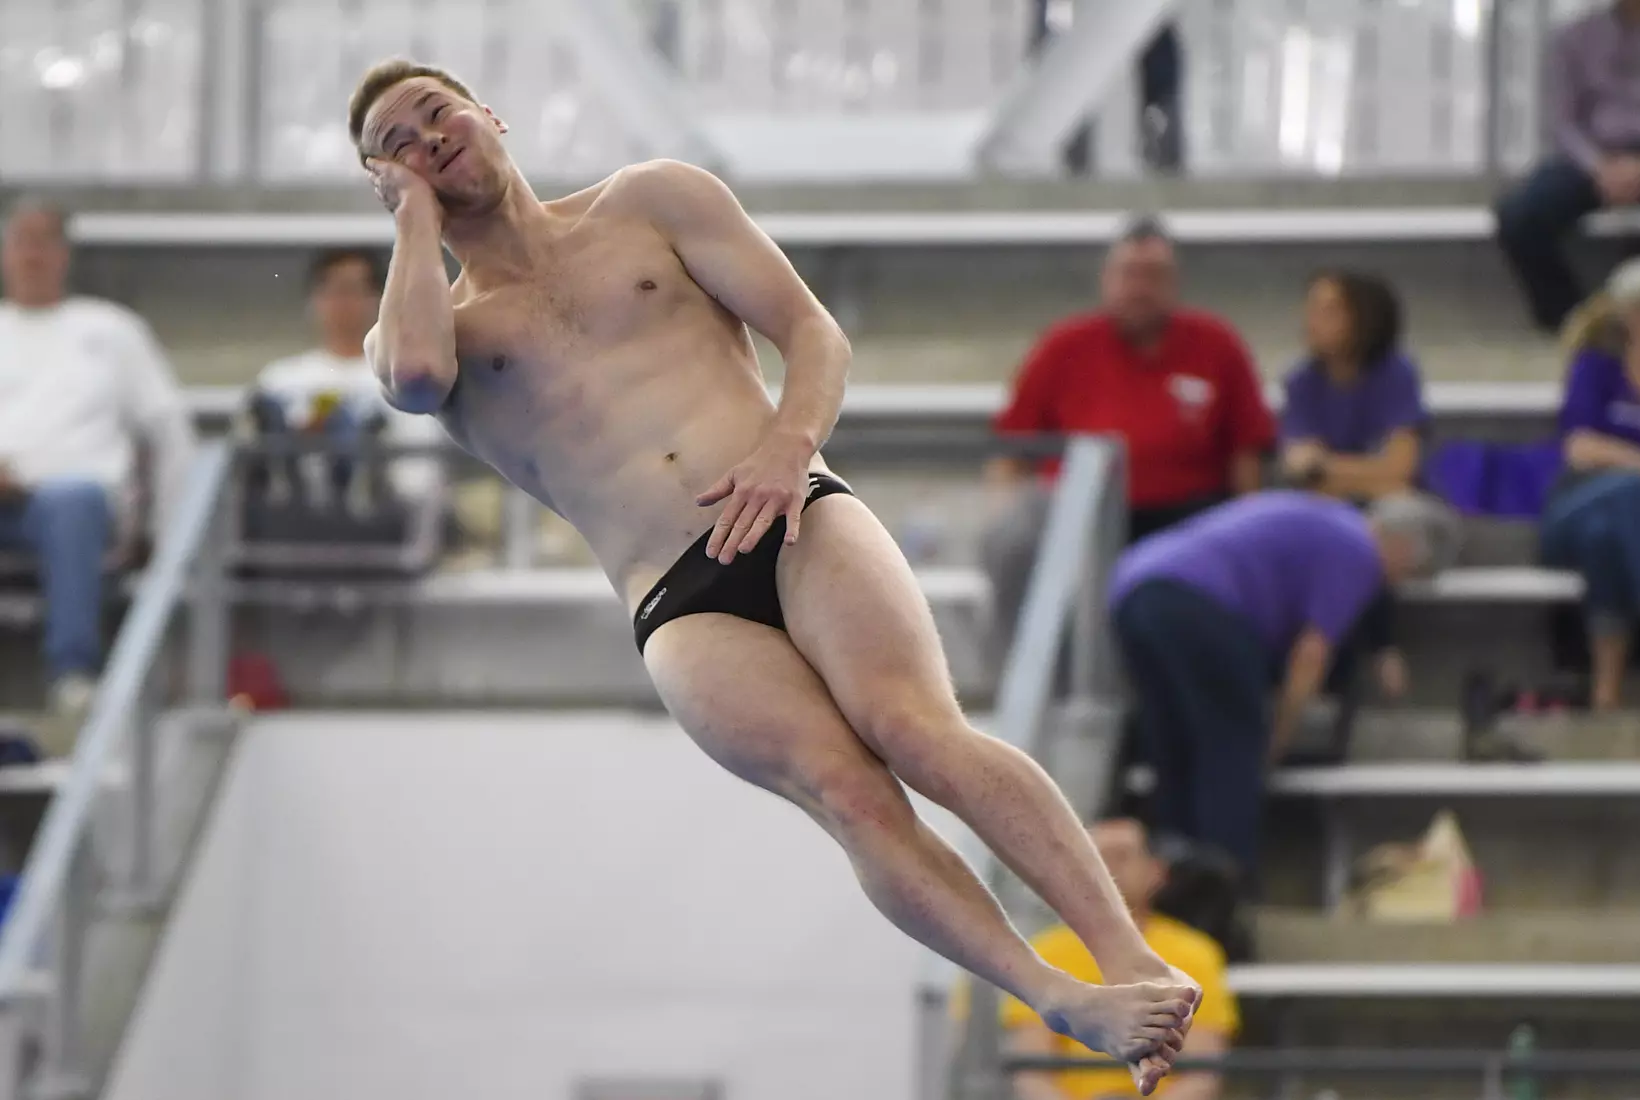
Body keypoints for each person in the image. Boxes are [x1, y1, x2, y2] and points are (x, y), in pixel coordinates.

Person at [346, 58, 1197, 1087]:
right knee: (850, 794)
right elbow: (413, 379)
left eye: (437, 113)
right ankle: (1056, 995)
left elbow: (811, 331)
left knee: (914, 730)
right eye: (395, 144)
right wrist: (415, 221)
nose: (426, 139)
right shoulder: (435, 327)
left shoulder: (651, 200)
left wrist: (792, 441)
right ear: (385, 184)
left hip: (792, 509)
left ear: (493, 115)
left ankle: (1126, 952)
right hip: (677, 597)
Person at [1109, 491, 1461, 874]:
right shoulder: (1358, 551)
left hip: (1135, 588)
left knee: (1176, 751)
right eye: (1408, 574)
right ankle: (1222, 892)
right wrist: (1277, 737)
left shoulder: (1326, 519)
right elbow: (1311, 654)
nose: (1393, 585)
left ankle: (1172, 885)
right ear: (1405, 547)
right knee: (1230, 756)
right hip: (1199, 604)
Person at [982, 218, 1274, 661]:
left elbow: (1247, 453)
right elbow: (1013, 451)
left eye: (1153, 276)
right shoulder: (1064, 346)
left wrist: (1244, 531)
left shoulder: (1217, 345)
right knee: (1012, 537)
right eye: (1129, 275)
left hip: (1185, 518)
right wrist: (1006, 513)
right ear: (1107, 279)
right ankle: (1021, 674)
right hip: (1083, 513)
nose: (1140, 288)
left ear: (1174, 284)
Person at [0, 199, 194, 737]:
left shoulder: (110, 330)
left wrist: (167, 536)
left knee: (73, 500)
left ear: (63, 254)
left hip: (76, 508)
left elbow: (168, 429)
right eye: (22, 240)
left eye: (43, 241)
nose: (32, 254)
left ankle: (73, 674)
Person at [1001, 820, 1236, 1100]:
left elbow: (1203, 1072)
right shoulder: (1045, 952)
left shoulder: (1195, 953)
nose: (1108, 868)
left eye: (1122, 856)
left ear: (1155, 871)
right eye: (1096, 858)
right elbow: (1031, 1074)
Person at [1278, 269, 1428, 706]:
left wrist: (1329, 469)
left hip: (1408, 516)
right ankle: (1373, 652)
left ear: (1365, 317)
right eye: (1311, 309)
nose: (1313, 321)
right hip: (1350, 513)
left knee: (1376, 526)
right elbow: (1299, 469)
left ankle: (1377, 649)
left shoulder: (1396, 373)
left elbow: (1400, 470)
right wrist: (1363, 472)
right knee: (1326, 533)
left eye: (1329, 310)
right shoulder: (1302, 379)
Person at [1495, 0, 1640, 332]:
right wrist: (1601, 167)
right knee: (1520, 216)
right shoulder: (1575, 37)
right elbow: (1561, 123)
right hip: (1592, 157)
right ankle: (1577, 325)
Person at [251, 248, 443, 508]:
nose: (342, 303)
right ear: (313, 300)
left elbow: (420, 475)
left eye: (353, 290)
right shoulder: (280, 380)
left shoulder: (404, 378)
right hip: (291, 520)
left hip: (381, 520)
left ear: (378, 299)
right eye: (331, 290)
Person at [1540, 257, 1640, 710]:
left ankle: (1605, 693)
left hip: (1624, 532)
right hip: (1572, 507)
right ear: (1631, 314)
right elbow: (1580, 448)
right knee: (1630, 491)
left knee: (1604, 540)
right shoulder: (1596, 366)